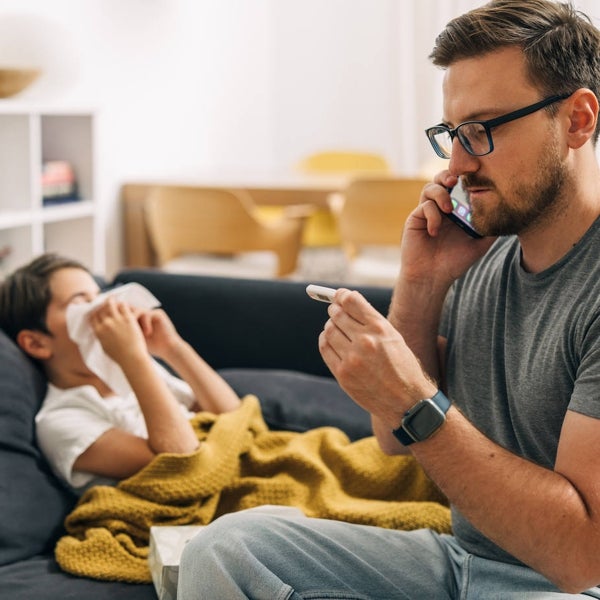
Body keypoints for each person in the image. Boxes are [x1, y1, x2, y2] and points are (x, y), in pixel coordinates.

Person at [175, 1, 600, 598]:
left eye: (482, 130)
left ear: (577, 120)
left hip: (569, 587)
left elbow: (583, 555)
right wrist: (422, 283)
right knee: (228, 549)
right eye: (451, 134)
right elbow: (390, 436)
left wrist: (414, 397)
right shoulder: (484, 253)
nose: (458, 162)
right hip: (465, 563)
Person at [0, 253, 241, 493]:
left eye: (98, 296)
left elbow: (232, 414)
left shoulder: (130, 370)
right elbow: (183, 463)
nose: (106, 308)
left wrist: (172, 347)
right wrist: (133, 358)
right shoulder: (61, 421)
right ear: (36, 344)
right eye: (79, 302)